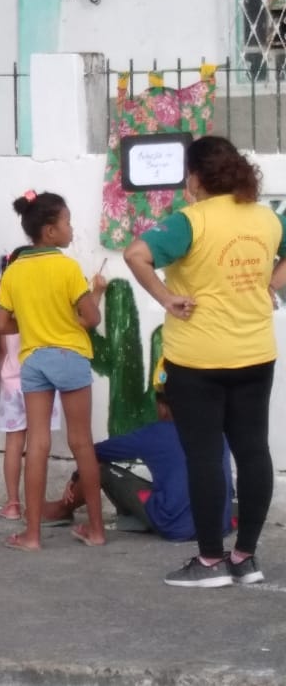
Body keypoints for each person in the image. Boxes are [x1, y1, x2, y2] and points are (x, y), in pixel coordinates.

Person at [125, 135, 286, 587]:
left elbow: (135, 255)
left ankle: (211, 561)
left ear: (194, 177)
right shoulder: (266, 218)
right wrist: (272, 284)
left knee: (204, 458)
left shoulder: (187, 222)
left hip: (197, 360)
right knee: (254, 452)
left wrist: (167, 298)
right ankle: (246, 558)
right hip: (255, 354)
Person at [0, 191, 107, 552]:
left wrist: (33, 326)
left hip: (35, 360)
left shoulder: (14, 271)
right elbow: (92, 318)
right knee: (81, 443)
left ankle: (31, 535)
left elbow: (1, 325)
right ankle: (96, 529)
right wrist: (67, 323)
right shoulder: (67, 268)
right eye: (67, 222)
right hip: (70, 357)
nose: (71, 228)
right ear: (50, 231)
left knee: (37, 443)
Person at [42, 393, 234, 541]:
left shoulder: (156, 433)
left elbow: (91, 453)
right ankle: (134, 516)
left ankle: (62, 509)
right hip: (218, 527)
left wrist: (76, 475)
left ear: (163, 408)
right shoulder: (215, 429)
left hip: (174, 525)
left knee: (100, 469)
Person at [0, 248, 63, 521]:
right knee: (38, 444)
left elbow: (1, 355)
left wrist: (4, 386)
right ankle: (36, 503)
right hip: (41, 382)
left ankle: (12, 503)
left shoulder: (2, 313)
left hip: (11, 386)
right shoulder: (41, 309)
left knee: (13, 444)